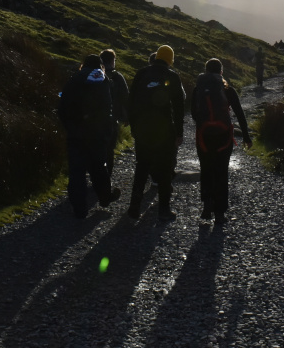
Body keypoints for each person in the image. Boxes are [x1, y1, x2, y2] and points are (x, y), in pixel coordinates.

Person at [57, 54, 122, 218]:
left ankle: (80, 209)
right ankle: (105, 197)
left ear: (83, 64)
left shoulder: (74, 79)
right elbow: (108, 109)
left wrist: (70, 127)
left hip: (77, 134)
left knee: (77, 172)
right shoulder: (103, 80)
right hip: (97, 133)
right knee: (99, 167)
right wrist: (107, 131)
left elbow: (62, 107)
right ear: (101, 65)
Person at [127, 44, 186, 220]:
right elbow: (179, 108)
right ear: (170, 60)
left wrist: (134, 126)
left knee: (142, 166)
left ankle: (134, 207)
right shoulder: (172, 76)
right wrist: (179, 133)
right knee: (165, 169)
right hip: (165, 131)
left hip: (142, 130)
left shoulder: (141, 74)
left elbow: (131, 101)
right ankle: (164, 210)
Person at [192, 58, 252, 224]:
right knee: (221, 171)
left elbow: (193, 113)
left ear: (205, 71)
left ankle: (206, 205)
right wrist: (246, 136)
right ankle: (219, 212)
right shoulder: (228, 90)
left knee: (206, 169)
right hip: (223, 137)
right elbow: (240, 114)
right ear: (221, 72)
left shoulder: (198, 88)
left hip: (203, 137)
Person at [99, 49, 129, 178]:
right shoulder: (117, 77)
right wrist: (127, 117)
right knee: (109, 149)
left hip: (93, 120)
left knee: (96, 148)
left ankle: (96, 174)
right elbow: (125, 97)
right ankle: (106, 176)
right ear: (112, 60)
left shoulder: (95, 75)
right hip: (112, 119)